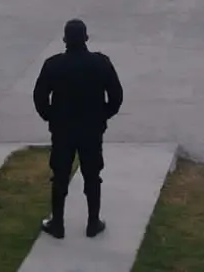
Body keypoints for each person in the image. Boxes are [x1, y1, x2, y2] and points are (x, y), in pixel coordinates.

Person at [33, 19, 124, 240]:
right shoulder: (101, 63)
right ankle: (93, 223)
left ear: (65, 39)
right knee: (92, 176)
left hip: (63, 130)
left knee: (60, 176)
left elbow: (40, 98)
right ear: (86, 38)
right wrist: (103, 115)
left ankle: (58, 223)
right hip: (92, 130)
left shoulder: (53, 65)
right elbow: (116, 97)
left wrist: (51, 117)